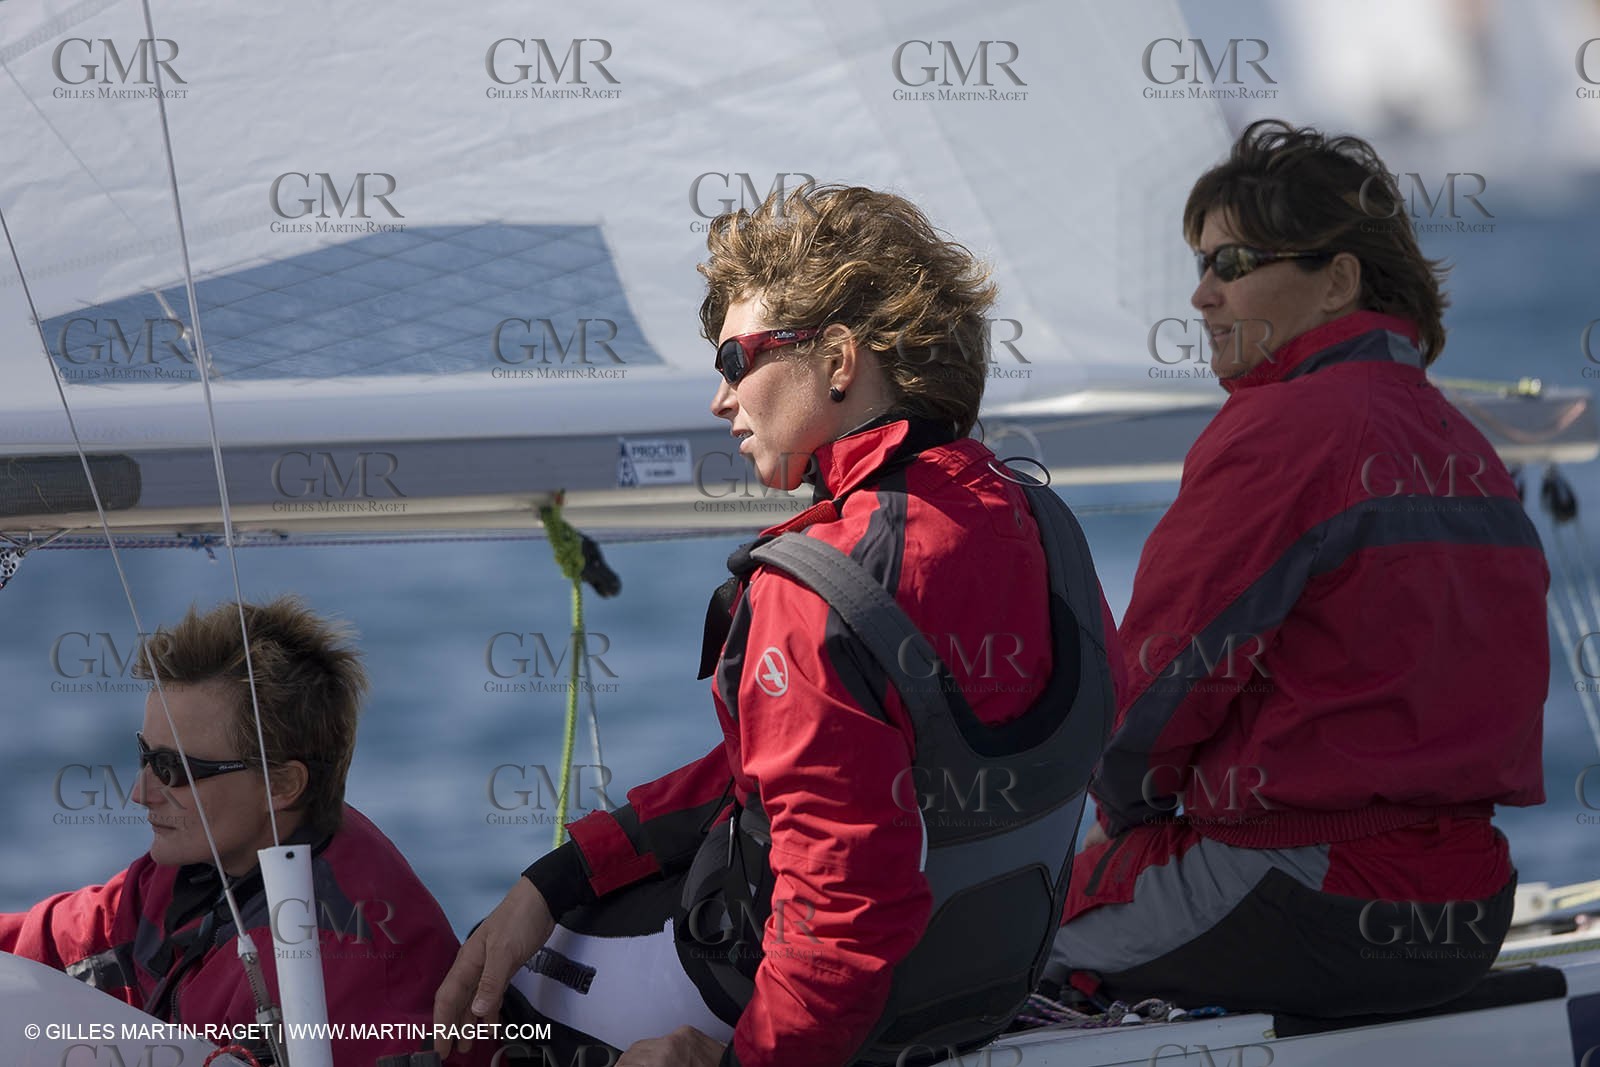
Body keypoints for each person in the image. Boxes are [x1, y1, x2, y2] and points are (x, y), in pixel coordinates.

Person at [434, 183, 1121, 1067]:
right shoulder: (1046, 527)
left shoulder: (819, 587)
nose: (720, 401)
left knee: (488, 1004)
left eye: (733, 360)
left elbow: (841, 913)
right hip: (980, 993)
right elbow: (839, 771)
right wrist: (564, 870)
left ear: (838, 359)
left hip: (824, 1022)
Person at [1045, 120, 1549, 1019]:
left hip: (1312, 895)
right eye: (1199, 264)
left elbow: (1153, 695)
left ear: (1338, 280)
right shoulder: (1463, 442)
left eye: (1232, 262)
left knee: (977, 957)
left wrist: (1126, 823)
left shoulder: (1285, 430)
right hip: (1468, 906)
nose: (1200, 296)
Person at [1, 596, 476, 1066]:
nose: (140, 792)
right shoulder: (198, 869)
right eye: (145, 755)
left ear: (283, 784)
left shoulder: (334, 966)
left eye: (173, 768)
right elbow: (64, 941)